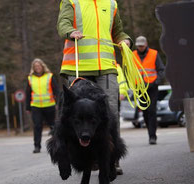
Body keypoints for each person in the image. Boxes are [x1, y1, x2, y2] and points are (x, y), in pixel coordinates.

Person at [57, 0, 132, 175]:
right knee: (77, 116)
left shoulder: (111, 3)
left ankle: (111, 160)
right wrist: (70, 32)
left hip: (106, 67)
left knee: (110, 114)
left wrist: (125, 40)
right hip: (78, 66)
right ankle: (88, 161)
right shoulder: (71, 1)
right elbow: (63, 24)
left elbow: (117, 32)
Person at [133, 36, 165, 145]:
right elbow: (129, 70)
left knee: (152, 111)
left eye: (142, 46)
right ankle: (149, 133)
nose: (140, 48)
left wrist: (156, 82)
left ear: (146, 44)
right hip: (139, 88)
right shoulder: (132, 55)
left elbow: (161, 70)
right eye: (138, 46)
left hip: (152, 88)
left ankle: (152, 136)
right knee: (145, 112)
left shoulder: (154, 54)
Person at [25, 58, 59, 154]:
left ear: (42, 66)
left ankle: (57, 143)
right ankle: (37, 146)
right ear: (33, 68)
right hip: (36, 106)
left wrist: (58, 103)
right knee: (37, 126)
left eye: (39, 66)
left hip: (49, 105)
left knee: (53, 126)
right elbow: (28, 93)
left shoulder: (49, 76)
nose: (37, 68)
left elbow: (56, 91)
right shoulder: (30, 78)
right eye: (35, 66)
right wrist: (27, 107)